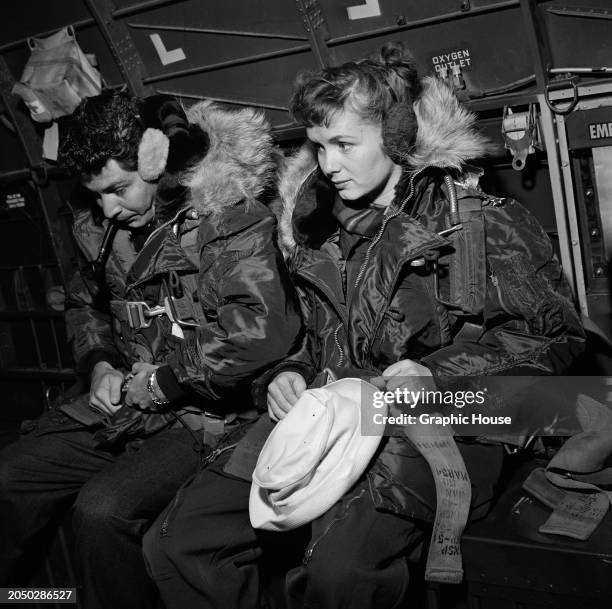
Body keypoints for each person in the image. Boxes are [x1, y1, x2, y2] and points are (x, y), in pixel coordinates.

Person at [142, 43, 585, 609]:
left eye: (345, 144)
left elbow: (553, 336)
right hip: (329, 412)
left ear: (397, 139)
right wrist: (284, 376)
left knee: (338, 576)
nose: (328, 165)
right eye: (319, 146)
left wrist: (434, 375)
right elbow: (301, 337)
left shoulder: (478, 224)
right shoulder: (311, 231)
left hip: (445, 419)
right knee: (178, 546)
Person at [0, 89, 301, 609]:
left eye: (118, 188)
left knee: (102, 511)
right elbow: (84, 304)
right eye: (96, 195)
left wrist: (162, 383)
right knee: (10, 478)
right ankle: (31, 596)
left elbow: (257, 332)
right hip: (125, 398)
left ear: (155, 162)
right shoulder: (99, 224)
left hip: (205, 409)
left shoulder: (227, 215)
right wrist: (99, 364)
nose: (107, 207)